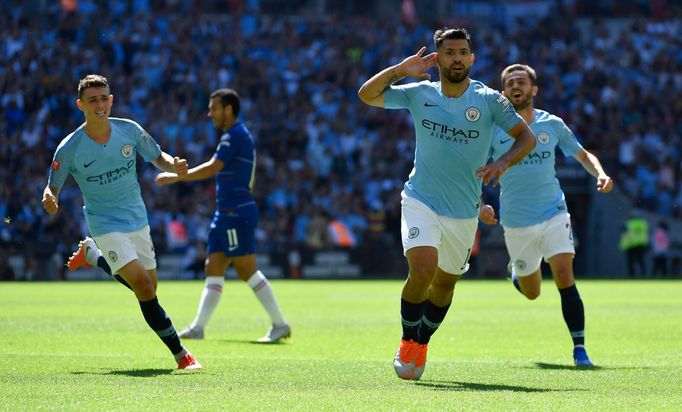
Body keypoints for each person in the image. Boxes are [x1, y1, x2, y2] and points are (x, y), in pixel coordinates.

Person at [357, 27, 536, 380]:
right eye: (450, 52)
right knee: (422, 270)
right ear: (437, 58)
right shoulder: (419, 92)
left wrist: (502, 163)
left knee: (444, 284)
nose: (457, 58)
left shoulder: (489, 100)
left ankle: (422, 342)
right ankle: (408, 341)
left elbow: (526, 138)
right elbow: (366, 95)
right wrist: (398, 70)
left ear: (472, 58)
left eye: (463, 52)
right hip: (420, 198)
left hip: (464, 210)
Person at [43, 74, 202, 370]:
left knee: (150, 288)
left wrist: (175, 165)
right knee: (142, 285)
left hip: (137, 218)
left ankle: (93, 256)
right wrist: (50, 197)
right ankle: (182, 356)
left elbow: (158, 157)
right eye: (93, 100)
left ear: (111, 100)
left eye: (104, 98)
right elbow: (53, 186)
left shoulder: (129, 131)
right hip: (104, 222)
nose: (100, 105)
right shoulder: (70, 148)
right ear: (81, 105)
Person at [481, 64, 614, 367]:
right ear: (503, 93)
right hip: (516, 220)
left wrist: (601, 173)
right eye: (511, 82)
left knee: (564, 275)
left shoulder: (551, 124)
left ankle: (580, 349)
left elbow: (582, 154)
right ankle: (518, 272)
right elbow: (473, 166)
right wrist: (479, 204)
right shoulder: (493, 129)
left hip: (554, 211)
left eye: (522, 82)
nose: (517, 86)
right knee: (532, 292)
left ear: (534, 89)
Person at [155, 88, 291, 343]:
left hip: (235, 212)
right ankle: (198, 327)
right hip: (225, 212)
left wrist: (177, 177)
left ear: (228, 109)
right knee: (213, 267)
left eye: (213, 108)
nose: (209, 114)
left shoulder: (234, 136)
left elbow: (213, 167)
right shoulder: (234, 136)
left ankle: (280, 324)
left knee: (246, 270)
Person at [619, 211, 649, 277]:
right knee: (641, 262)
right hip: (640, 246)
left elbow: (624, 235)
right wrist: (646, 246)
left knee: (631, 264)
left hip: (631, 246)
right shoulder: (643, 224)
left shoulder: (628, 223)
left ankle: (632, 279)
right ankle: (644, 277)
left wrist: (623, 246)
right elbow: (645, 235)